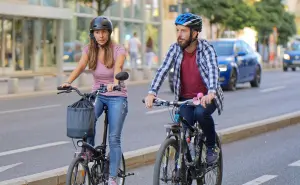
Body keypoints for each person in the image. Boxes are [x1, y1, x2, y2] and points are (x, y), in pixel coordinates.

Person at [144, 13, 224, 164]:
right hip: (185, 100)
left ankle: (212, 146)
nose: (179, 35)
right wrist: (152, 92)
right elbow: (162, 70)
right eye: (177, 30)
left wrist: (211, 92)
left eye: (183, 31)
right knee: (182, 127)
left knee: (201, 113)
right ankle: (184, 168)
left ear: (194, 33)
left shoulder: (206, 48)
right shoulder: (175, 49)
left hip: (206, 98)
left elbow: (213, 69)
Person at [60, 16, 128, 185]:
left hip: (117, 96)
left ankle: (112, 178)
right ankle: (90, 152)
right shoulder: (89, 50)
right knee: (86, 122)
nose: (101, 36)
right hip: (98, 94)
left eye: (104, 32)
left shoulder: (118, 50)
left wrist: (114, 83)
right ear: (93, 34)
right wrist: (69, 81)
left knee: (114, 138)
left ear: (109, 33)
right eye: (97, 32)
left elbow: (118, 68)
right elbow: (80, 66)